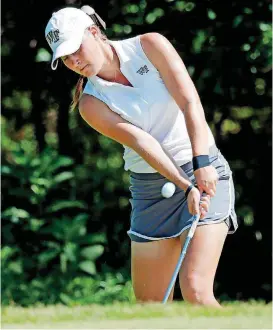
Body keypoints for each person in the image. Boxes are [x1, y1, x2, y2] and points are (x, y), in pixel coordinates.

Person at [45, 6, 238, 306]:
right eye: (66, 58)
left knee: (196, 290)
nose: (75, 61)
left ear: (94, 33)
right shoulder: (90, 104)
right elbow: (142, 142)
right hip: (151, 192)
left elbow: (190, 102)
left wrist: (201, 164)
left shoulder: (149, 45)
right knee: (151, 306)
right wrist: (184, 185)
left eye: (76, 49)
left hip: (204, 169)